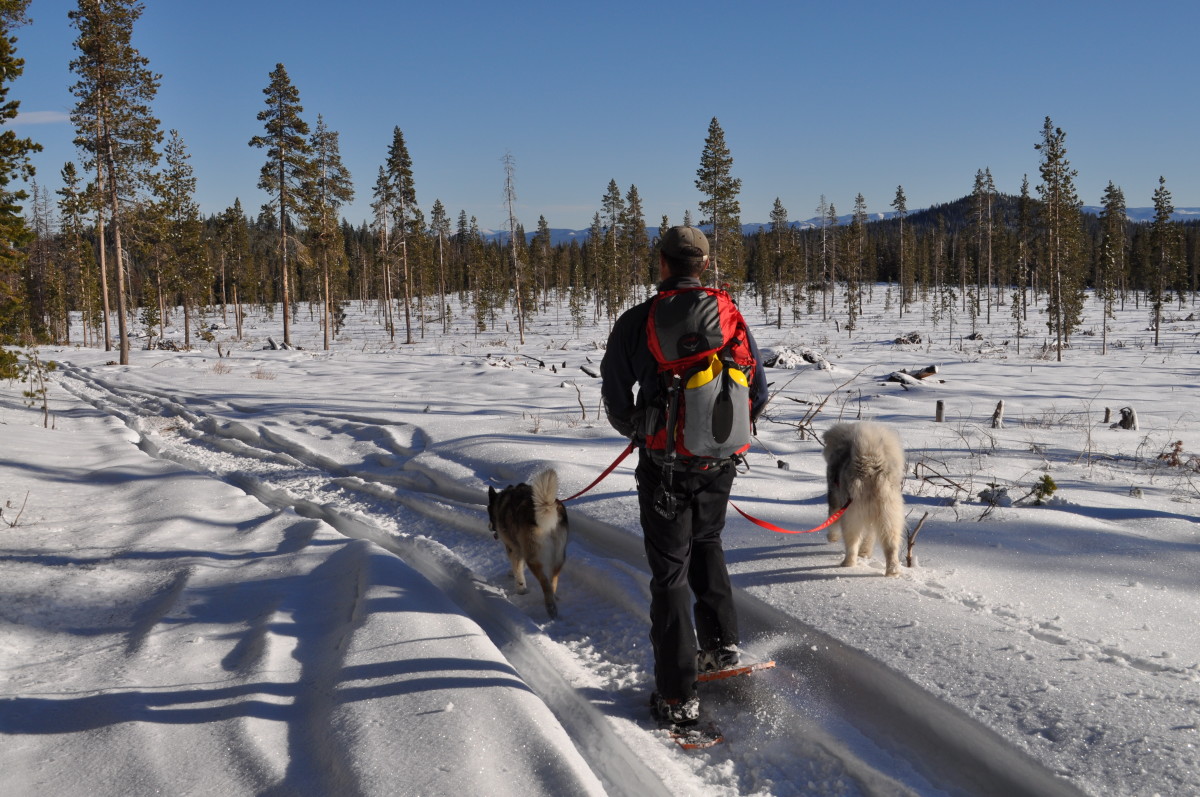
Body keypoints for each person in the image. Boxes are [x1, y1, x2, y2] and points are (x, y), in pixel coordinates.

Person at [600, 226, 768, 726]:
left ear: (663, 262)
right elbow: (756, 387)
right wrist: (721, 435)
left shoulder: (637, 321)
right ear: (705, 264)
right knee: (709, 543)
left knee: (670, 573)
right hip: (719, 463)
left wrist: (642, 429)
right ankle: (721, 650)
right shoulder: (729, 314)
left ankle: (677, 696)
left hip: (664, 468)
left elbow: (613, 392)